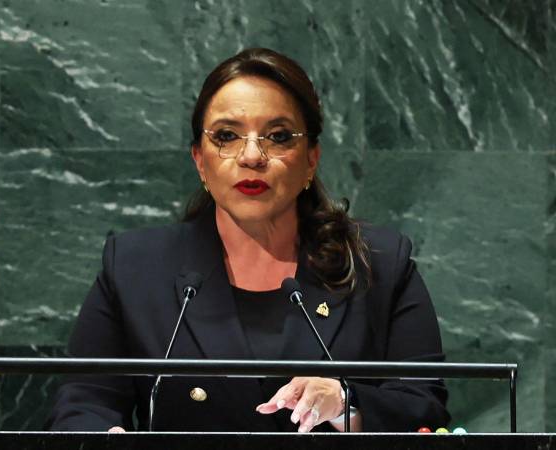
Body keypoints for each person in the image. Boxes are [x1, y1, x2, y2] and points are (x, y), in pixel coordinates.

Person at [46, 48, 450, 433]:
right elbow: (84, 401)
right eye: (226, 136)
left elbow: (424, 406)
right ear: (199, 161)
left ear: (311, 159)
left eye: (278, 136)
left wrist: (347, 401)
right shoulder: (135, 268)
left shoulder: (377, 264)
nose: (252, 155)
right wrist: (102, 436)